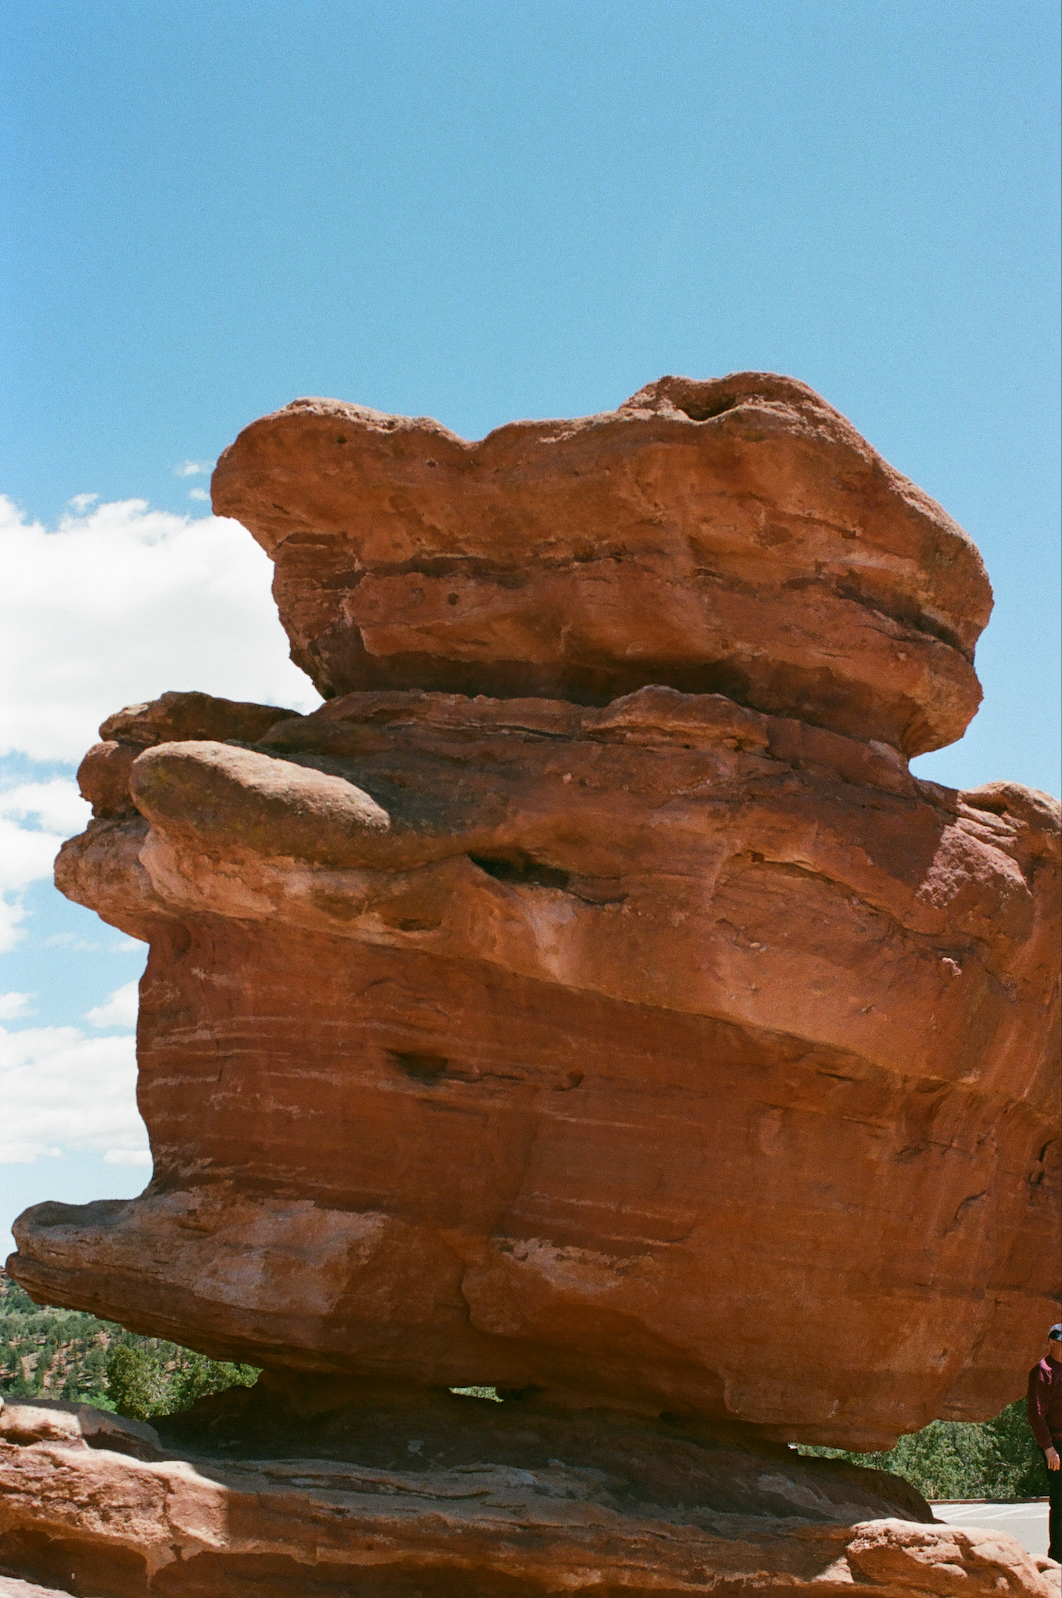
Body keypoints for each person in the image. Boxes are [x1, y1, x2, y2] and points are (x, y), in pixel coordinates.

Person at [1027, 1322, 1062, 1563]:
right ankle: (1058, 1558)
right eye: (1059, 1342)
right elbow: (1036, 1413)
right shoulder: (1043, 1371)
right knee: (1060, 1502)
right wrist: (1048, 1448)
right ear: (1051, 1343)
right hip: (1057, 1445)